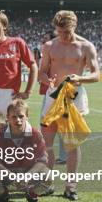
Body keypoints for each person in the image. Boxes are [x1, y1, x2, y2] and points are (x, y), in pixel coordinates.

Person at [39, 10, 100, 200]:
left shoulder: (86, 47)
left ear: (74, 26)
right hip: (53, 96)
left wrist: (80, 78)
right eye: (59, 32)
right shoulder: (49, 46)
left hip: (74, 97)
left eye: (66, 32)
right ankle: (47, 183)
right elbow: (41, 72)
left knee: (72, 145)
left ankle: (70, 186)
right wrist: (47, 80)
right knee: (47, 143)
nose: (63, 36)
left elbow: (96, 75)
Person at [0, 99, 51, 202]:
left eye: (21, 116)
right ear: (7, 117)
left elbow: (43, 160)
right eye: (14, 117)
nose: (18, 120)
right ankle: (3, 195)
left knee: (48, 175)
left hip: (28, 173)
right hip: (7, 173)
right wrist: (10, 175)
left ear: (27, 116)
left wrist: (28, 176)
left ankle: (32, 195)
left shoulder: (36, 135)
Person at [37, 30, 66, 166]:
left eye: (46, 39)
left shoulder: (54, 55)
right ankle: (60, 155)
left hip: (56, 92)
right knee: (52, 125)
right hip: (49, 91)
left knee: (50, 124)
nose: (44, 41)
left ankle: (49, 155)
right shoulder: (48, 53)